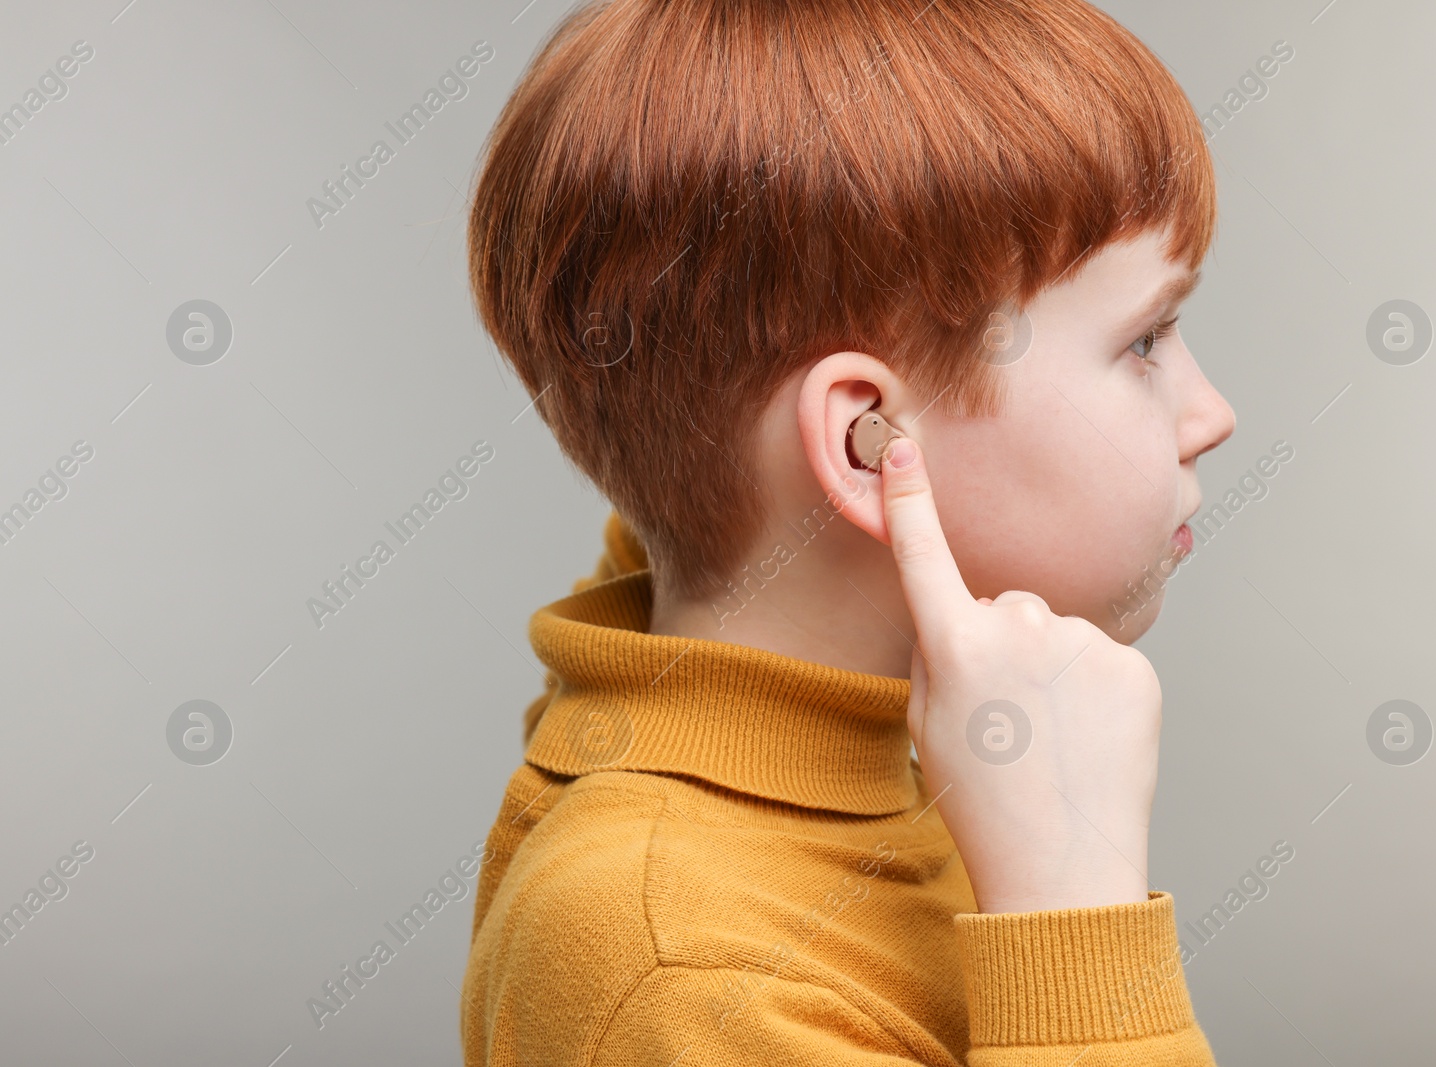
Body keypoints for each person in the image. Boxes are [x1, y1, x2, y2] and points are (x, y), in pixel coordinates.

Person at [460, 0, 1237, 1062]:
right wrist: (1070, 911)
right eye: (1145, 340)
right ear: (872, 441)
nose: (1211, 416)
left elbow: (704, 444)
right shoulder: (685, 976)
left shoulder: (814, 693)